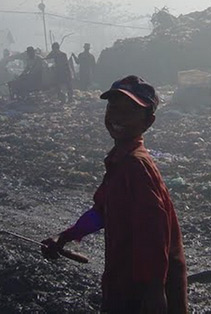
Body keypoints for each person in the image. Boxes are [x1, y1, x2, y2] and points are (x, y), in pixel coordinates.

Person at [41, 75, 188, 313]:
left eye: (129, 111)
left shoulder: (136, 167)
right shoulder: (120, 160)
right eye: (113, 108)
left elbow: (154, 234)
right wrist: (65, 236)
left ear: (148, 121)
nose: (118, 117)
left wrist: (154, 291)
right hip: (125, 282)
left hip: (142, 290)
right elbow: (101, 213)